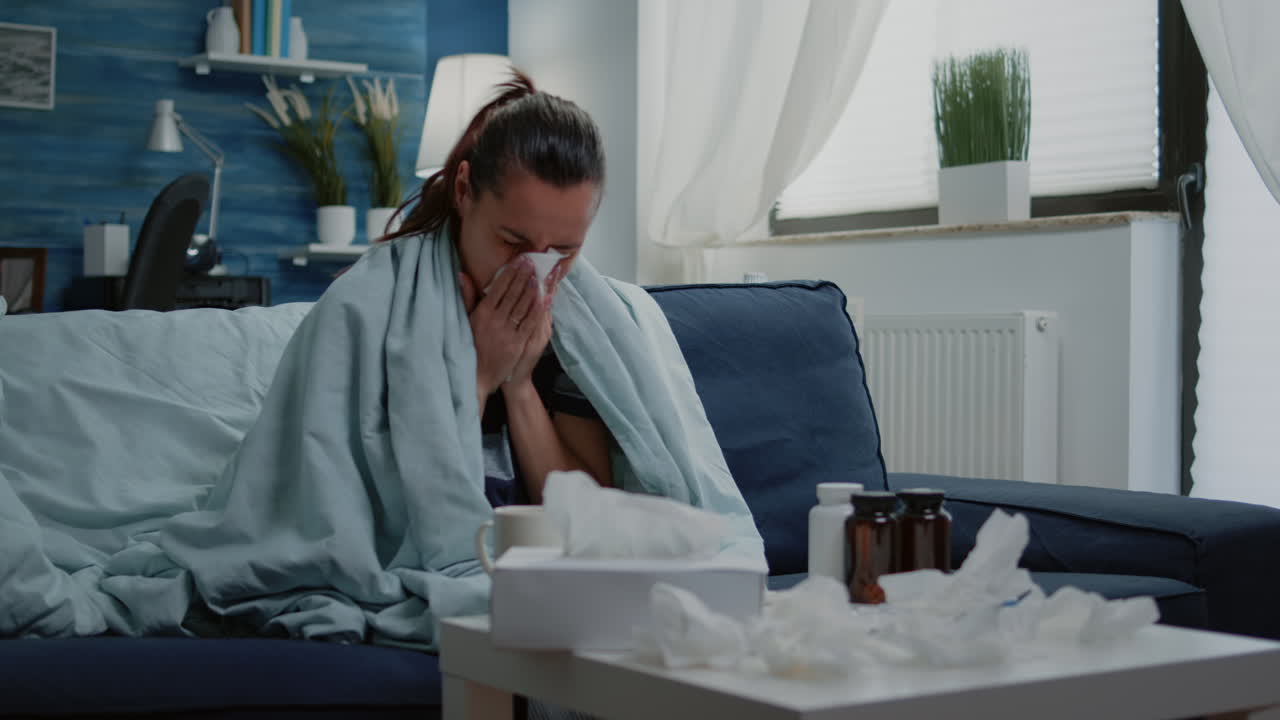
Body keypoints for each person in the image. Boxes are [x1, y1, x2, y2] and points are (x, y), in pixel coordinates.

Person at [383, 70, 610, 506]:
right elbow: (399, 509)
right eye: (512, 242)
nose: (535, 270)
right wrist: (478, 373)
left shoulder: (584, 330)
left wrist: (517, 381)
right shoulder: (387, 301)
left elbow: (590, 517)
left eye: (563, 249)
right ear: (464, 190)